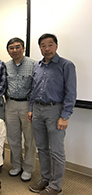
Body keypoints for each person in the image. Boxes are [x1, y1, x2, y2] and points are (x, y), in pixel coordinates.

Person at [27, 34, 76, 195]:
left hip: (55, 111)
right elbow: (34, 90)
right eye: (42, 45)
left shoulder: (66, 65)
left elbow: (71, 93)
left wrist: (65, 116)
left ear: (56, 46)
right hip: (38, 111)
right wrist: (31, 108)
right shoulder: (37, 66)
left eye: (50, 45)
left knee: (56, 150)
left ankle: (56, 186)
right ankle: (45, 178)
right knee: (41, 148)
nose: (46, 48)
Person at [5, 37, 36, 181]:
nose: (15, 50)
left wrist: (32, 107)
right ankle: (16, 165)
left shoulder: (33, 64)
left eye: (18, 47)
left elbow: (36, 88)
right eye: (11, 48)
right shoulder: (6, 66)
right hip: (10, 104)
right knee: (12, 137)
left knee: (29, 139)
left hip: (27, 105)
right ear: (8, 51)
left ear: (23, 49)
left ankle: (28, 168)